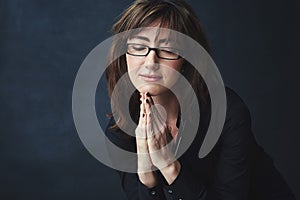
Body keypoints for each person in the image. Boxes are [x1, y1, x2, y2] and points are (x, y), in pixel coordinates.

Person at [105, 0, 296, 199]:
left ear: (187, 60)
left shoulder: (227, 112)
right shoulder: (120, 131)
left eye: (167, 49)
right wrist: (147, 177)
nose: (151, 61)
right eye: (138, 46)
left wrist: (169, 166)